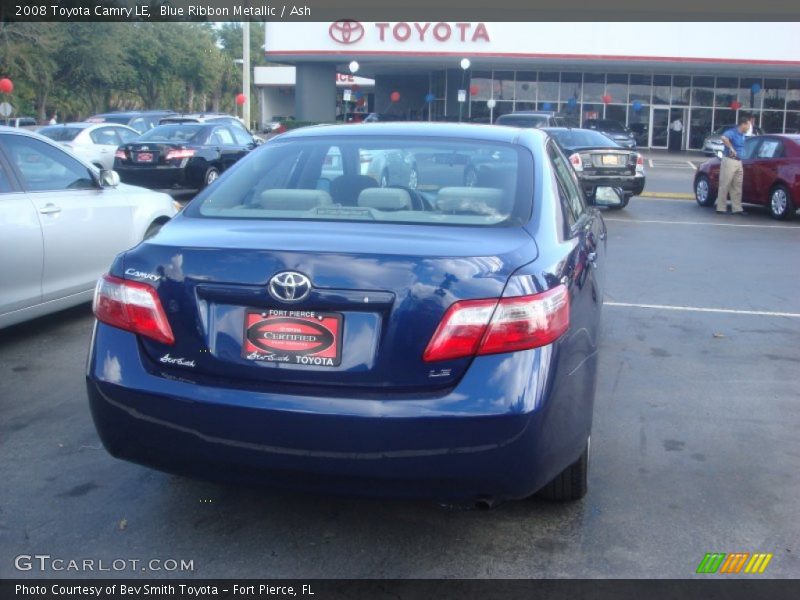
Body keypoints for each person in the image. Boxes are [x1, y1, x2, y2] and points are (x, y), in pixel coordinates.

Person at [716, 116, 750, 215]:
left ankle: (737, 208)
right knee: (725, 184)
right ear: (743, 124)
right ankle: (721, 208)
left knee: (737, 186)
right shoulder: (733, 132)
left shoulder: (743, 135)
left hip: (739, 162)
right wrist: (731, 148)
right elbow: (723, 137)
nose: (748, 128)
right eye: (748, 126)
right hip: (730, 161)